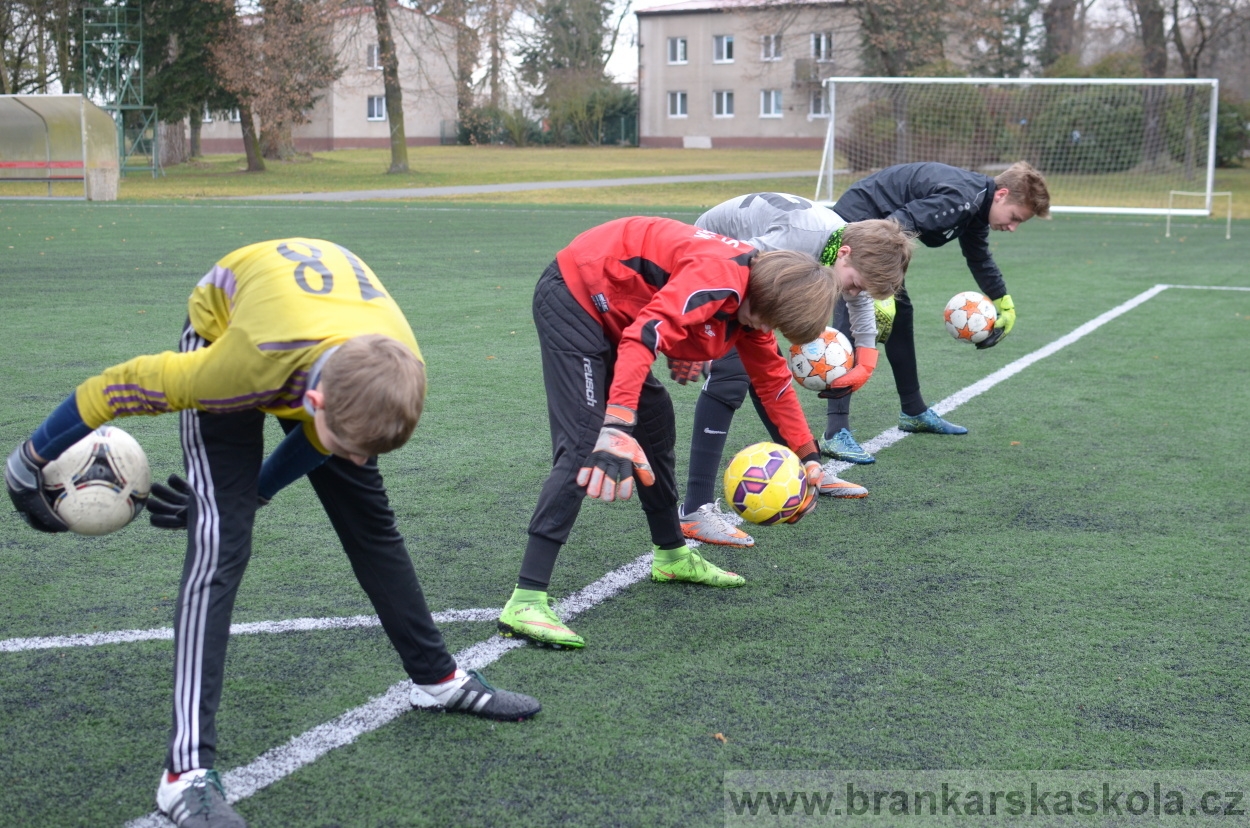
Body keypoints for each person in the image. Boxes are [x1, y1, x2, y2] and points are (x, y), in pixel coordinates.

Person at [4, 239, 540, 828]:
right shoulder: (231, 371)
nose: (356, 461)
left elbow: (324, 440)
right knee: (220, 545)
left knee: (369, 515)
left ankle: (437, 679)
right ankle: (184, 777)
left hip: (323, 335)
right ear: (311, 402)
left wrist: (254, 489)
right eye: (342, 443)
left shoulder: (397, 366)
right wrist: (27, 463)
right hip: (231, 325)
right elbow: (108, 389)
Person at [495, 216, 839, 650]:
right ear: (764, 296)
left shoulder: (753, 302)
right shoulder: (720, 278)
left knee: (655, 416)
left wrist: (809, 458)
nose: (767, 331)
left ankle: (672, 555)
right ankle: (525, 601)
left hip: (614, 315)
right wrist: (617, 423)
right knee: (589, 441)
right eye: (769, 321)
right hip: (575, 295)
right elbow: (645, 334)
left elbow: (773, 381)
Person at [677, 192, 914, 547]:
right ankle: (695, 509)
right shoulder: (798, 238)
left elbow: (859, 300)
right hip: (717, 263)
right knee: (731, 376)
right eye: (852, 283)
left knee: (769, 378)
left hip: (757, 269)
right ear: (844, 254)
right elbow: (731, 264)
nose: (852, 291)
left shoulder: (844, 249)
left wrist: (866, 360)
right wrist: (698, 325)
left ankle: (807, 465)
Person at [822, 161, 1051, 465]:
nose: (1012, 227)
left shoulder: (977, 205)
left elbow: (978, 257)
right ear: (1001, 194)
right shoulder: (960, 199)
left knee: (901, 314)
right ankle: (835, 432)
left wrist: (1002, 300)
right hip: (858, 226)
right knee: (859, 318)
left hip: (878, 227)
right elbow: (893, 226)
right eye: (1014, 217)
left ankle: (913, 411)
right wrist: (878, 293)